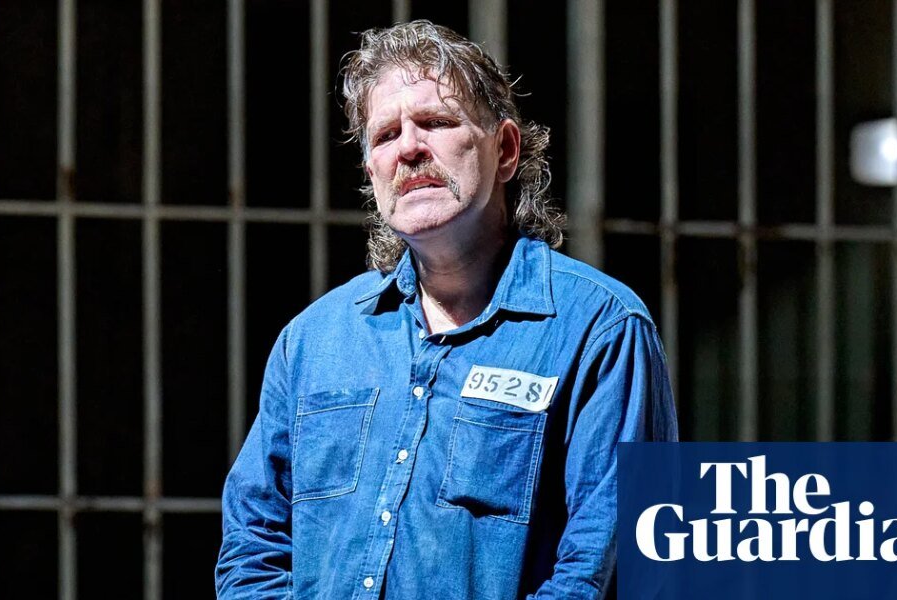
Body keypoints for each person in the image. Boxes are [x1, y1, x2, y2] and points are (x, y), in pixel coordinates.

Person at [216, 20, 677, 599]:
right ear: (372, 172)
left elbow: (603, 568)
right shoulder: (313, 342)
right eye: (386, 135)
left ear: (505, 150)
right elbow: (252, 550)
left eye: (436, 122)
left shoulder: (600, 330)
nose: (409, 148)